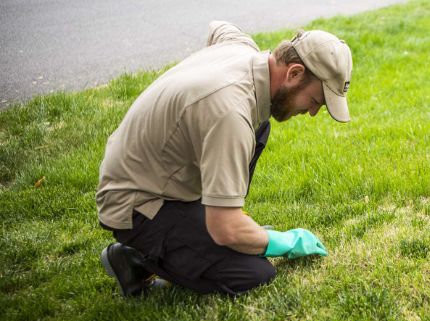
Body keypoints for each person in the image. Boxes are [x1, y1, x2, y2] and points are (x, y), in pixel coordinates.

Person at [96, 21, 352, 297]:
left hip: (159, 174)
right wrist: (284, 241)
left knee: (260, 125)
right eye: (316, 100)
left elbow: (221, 27)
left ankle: (212, 220)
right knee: (254, 273)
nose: (313, 112)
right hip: (137, 203)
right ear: (295, 72)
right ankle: (133, 258)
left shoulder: (242, 50)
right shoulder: (230, 114)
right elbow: (225, 230)